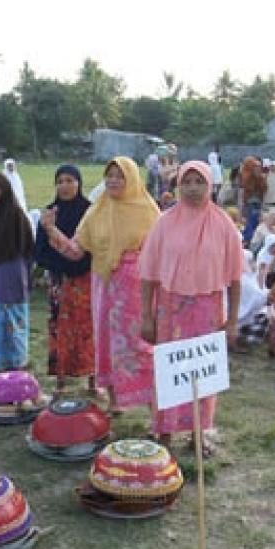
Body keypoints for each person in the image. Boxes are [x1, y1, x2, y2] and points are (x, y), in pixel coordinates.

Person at [138, 161, 242, 451]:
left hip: (208, 309)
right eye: (187, 182)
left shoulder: (223, 224)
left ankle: (198, 434)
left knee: (202, 371)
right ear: (178, 185)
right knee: (170, 369)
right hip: (170, 309)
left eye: (200, 182)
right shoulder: (164, 223)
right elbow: (148, 274)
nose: (193, 188)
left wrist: (232, 321)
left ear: (210, 186)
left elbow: (234, 279)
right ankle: (164, 433)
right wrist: (147, 316)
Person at [41, 156, 159, 412]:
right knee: (106, 342)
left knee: (139, 345)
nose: (113, 181)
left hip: (136, 288)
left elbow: (160, 253)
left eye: (120, 175)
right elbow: (76, 251)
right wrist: (52, 231)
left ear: (132, 179)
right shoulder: (96, 210)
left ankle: (153, 404)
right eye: (110, 175)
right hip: (103, 285)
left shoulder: (148, 210)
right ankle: (116, 401)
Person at [35, 165, 95, 392]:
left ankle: (92, 380)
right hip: (60, 281)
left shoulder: (90, 212)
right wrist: (60, 266)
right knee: (60, 328)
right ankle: (60, 380)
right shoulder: (50, 214)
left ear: (79, 183)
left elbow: (93, 247)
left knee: (87, 330)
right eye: (60, 181)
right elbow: (39, 251)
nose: (65, 185)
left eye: (70, 180)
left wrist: (76, 262)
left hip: (86, 280)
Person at [0, 171, 35, 371]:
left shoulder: (14, 215)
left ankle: (15, 362)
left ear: (4, 189)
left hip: (12, 275)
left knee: (11, 320)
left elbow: (26, 249)